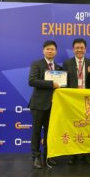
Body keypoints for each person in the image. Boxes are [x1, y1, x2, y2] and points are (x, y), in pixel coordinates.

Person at [28, 40, 62, 169]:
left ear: (56, 51)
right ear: (43, 51)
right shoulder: (37, 64)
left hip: (53, 105)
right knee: (36, 132)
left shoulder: (58, 68)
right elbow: (32, 81)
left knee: (50, 132)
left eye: (52, 49)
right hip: (38, 104)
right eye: (47, 49)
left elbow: (61, 85)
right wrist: (51, 84)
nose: (50, 51)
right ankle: (36, 157)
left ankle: (48, 156)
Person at [63, 38, 90, 165]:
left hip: (87, 101)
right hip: (72, 101)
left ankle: (86, 154)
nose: (79, 50)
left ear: (85, 49)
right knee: (73, 127)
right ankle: (73, 155)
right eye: (77, 48)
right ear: (73, 49)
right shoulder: (67, 63)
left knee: (87, 128)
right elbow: (64, 82)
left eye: (82, 48)